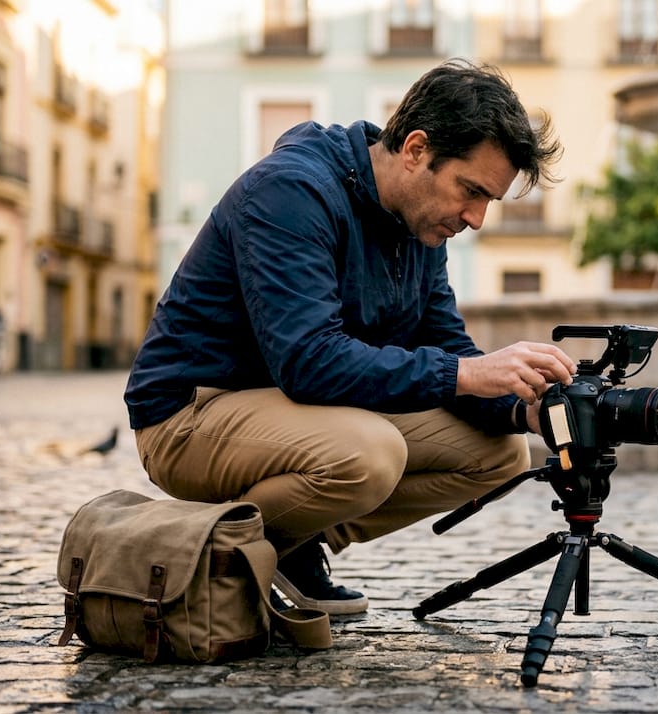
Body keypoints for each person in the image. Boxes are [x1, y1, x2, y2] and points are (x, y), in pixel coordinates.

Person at [125, 59, 576, 616]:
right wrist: (468, 375)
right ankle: (210, 555)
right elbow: (308, 361)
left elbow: (447, 345)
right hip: (190, 412)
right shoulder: (291, 191)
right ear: (415, 150)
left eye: (489, 200)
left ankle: (290, 544)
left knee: (500, 454)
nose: (477, 218)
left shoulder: (420, 225)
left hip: (301, 409)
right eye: (471, 190)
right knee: (370, 454)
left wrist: (525, 411)